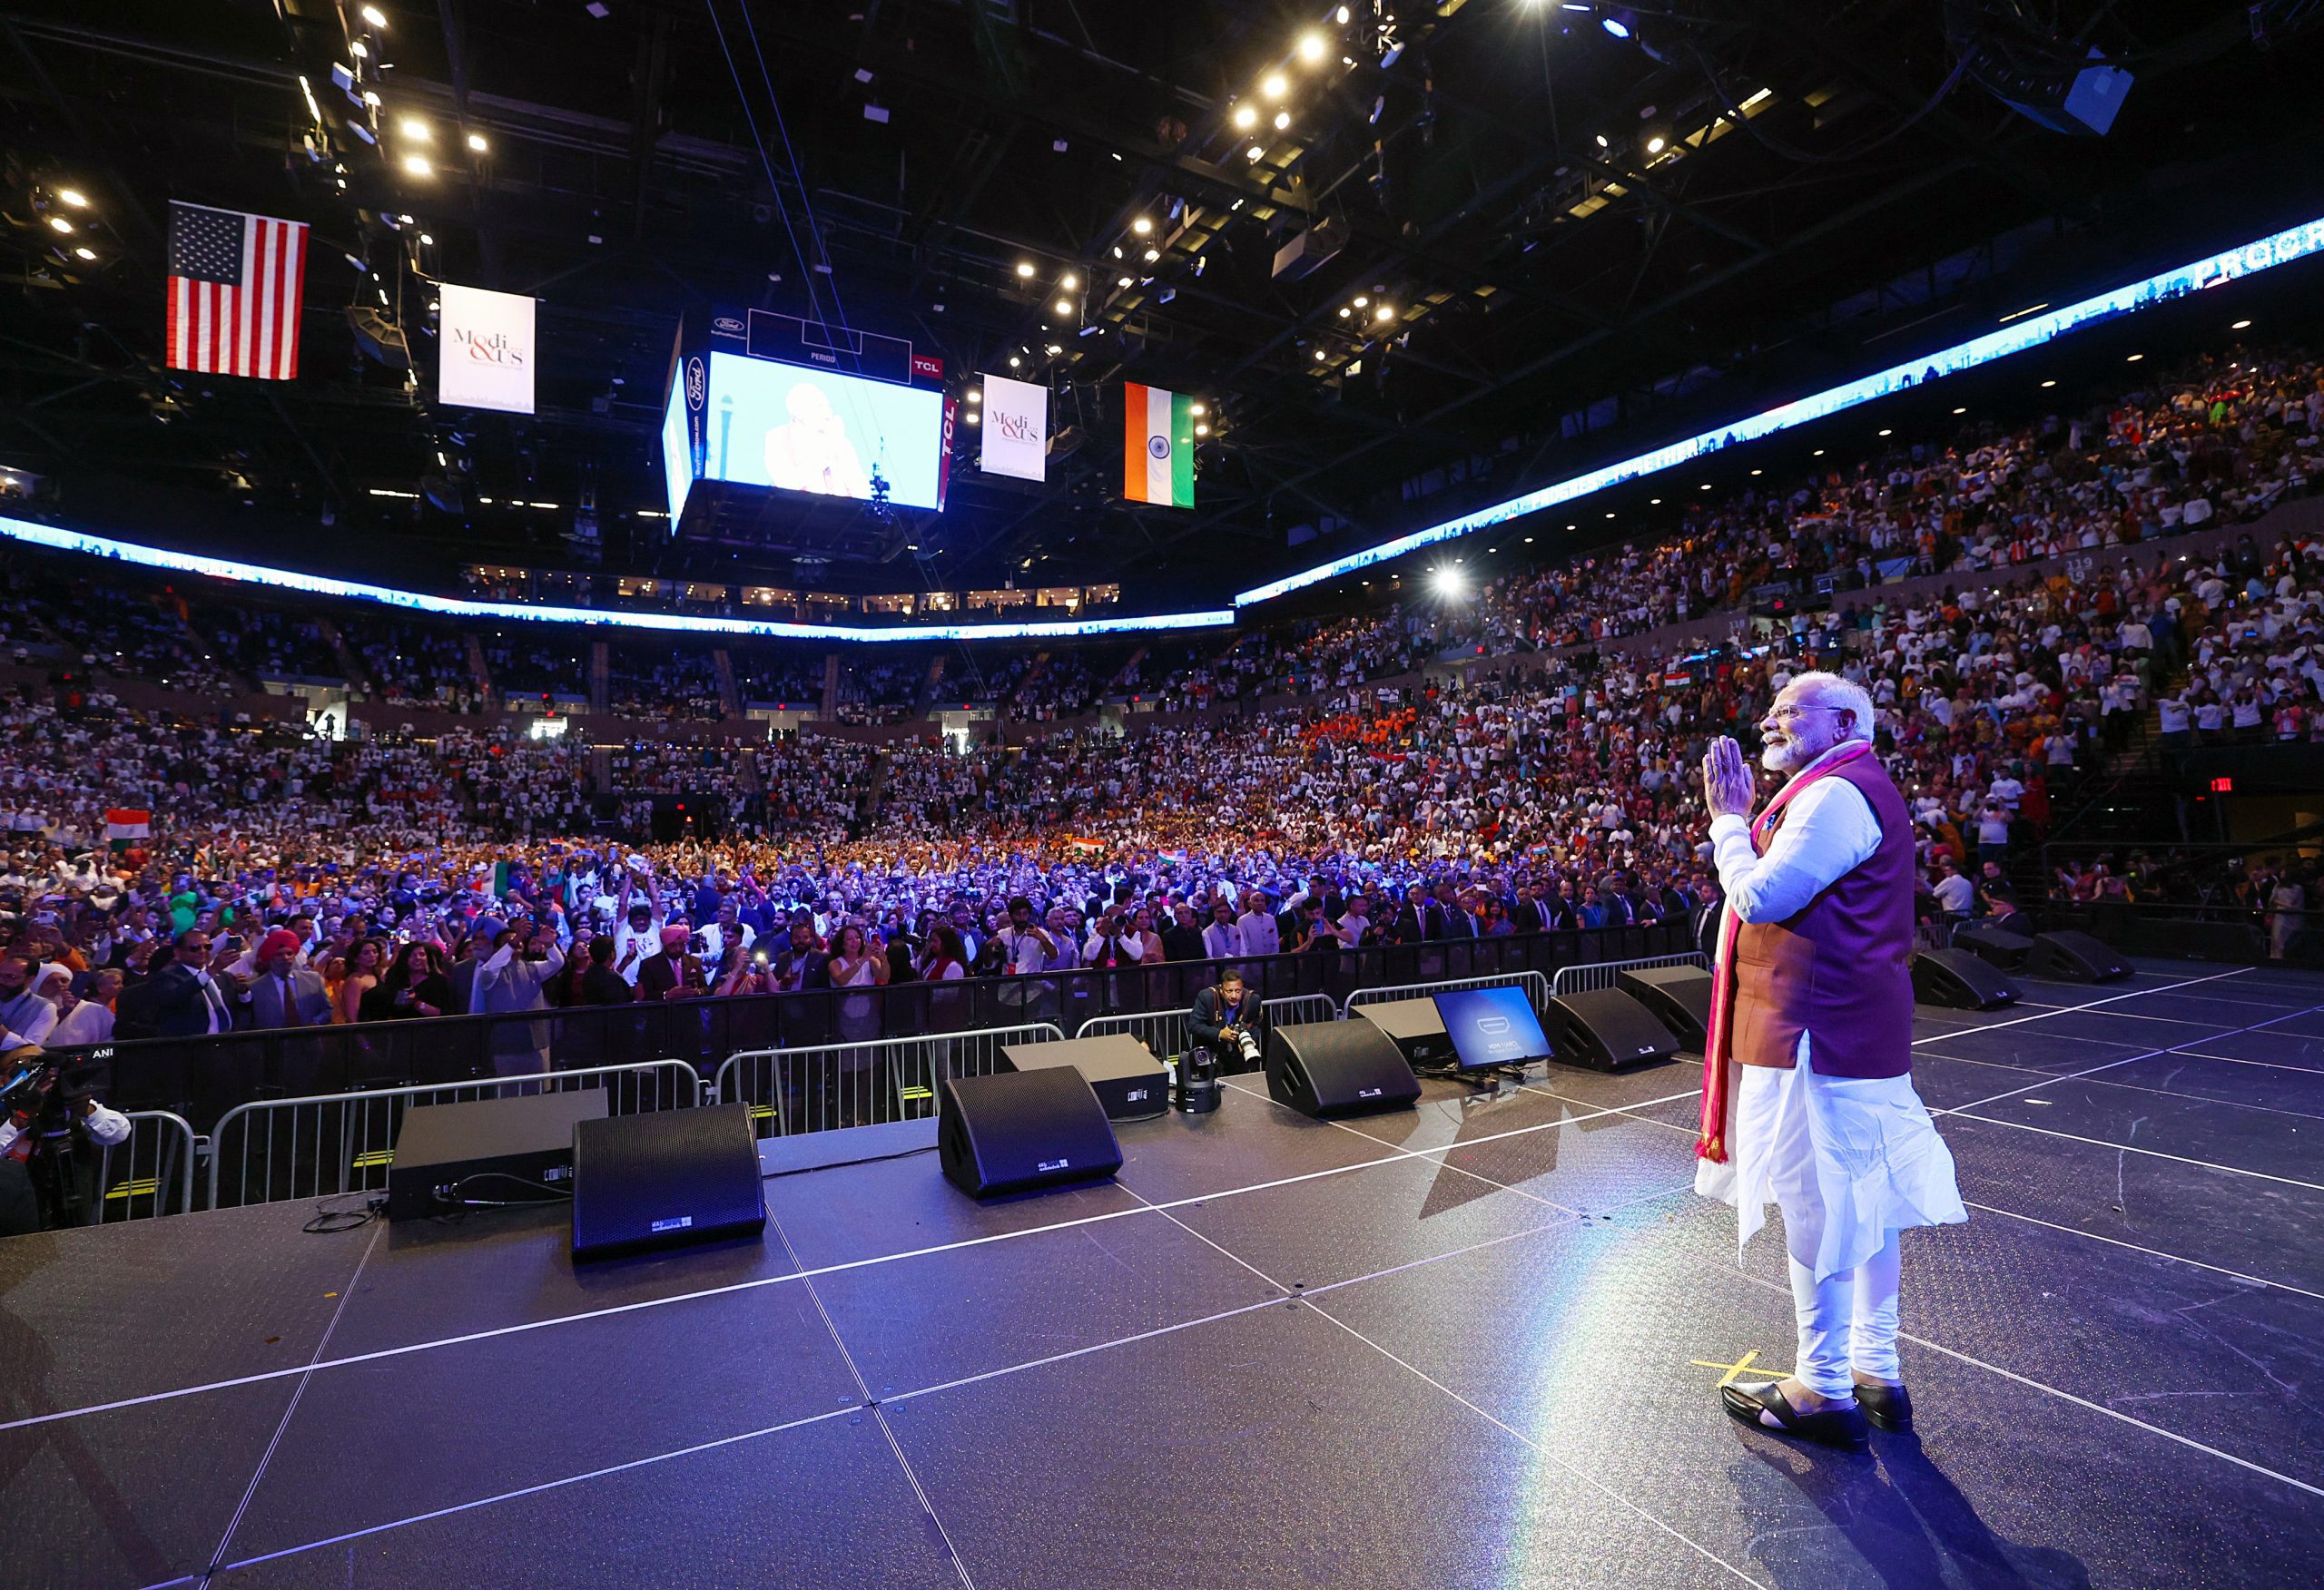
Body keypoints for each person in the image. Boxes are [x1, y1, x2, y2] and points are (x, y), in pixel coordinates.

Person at [1696, 670, 1965, 1451]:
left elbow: (1761, 899)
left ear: (1845, 720)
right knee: (1868, 1203)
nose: (1770, 722)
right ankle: (1875, 1369)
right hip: (1845, 1029)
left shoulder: (1838, 793)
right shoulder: (1842, 787)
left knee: (1817, 1206)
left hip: (1814, 1033)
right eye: (1772, 711)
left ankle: (1820, 1385)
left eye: (1790, 711)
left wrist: (1727, 826)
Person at [473, 918, 566, 1076]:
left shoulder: (533, 968)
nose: (517, 943)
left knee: (538, 1092)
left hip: (535, 1042)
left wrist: (550, 944)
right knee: (509, 1093)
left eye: (518, 940)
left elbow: (557, 963)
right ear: (497, 949)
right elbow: (490, 969)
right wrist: (514, 941)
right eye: (508, 942)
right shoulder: (490, 972)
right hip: (505, 1045)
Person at [241, 928, 333, 1029]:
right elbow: (247, 1022)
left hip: (310, 1040)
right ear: (271, 957)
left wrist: (316, 1023)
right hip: (273, 1043)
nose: (286, 958)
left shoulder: (313, 979)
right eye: (279, 954)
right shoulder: (255, 987)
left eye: (289, 954)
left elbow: (327, 1010)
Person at [1189, 968, 1262, 1072]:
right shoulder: (1207, 997)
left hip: (1237, 1060)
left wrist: (1250, 1040)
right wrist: (1220, 1033)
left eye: (1238, 991)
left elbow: (1256, 1026)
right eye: (1229, 991)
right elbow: (1193, 1026)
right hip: (1210, 1057)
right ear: (1221, 990)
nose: (1234, 996)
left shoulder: (1252, 1000)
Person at [360, 942, 453, 1022]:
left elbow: (443, 1014)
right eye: (412, 955)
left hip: (427, 1030)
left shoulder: (439, 981)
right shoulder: (395, 977)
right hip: (397, 1030)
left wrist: (417, 1003)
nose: (417, 958)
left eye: (422, 954)